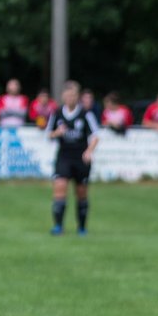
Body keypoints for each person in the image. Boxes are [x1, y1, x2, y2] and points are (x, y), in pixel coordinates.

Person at [46, 80, 100, 236]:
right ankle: (58, 226)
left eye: (73, 95)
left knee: (81, 193)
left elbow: (96, 136)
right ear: (63, 96)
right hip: (64, 157)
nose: (70, 98)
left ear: (78, 97)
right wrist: (57, 133)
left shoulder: (86, 114)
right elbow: (48, 134)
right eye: (68, 95)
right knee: (60, 188)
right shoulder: (56, 113)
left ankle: (82, 228)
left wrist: (89, 151)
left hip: (80, 159)